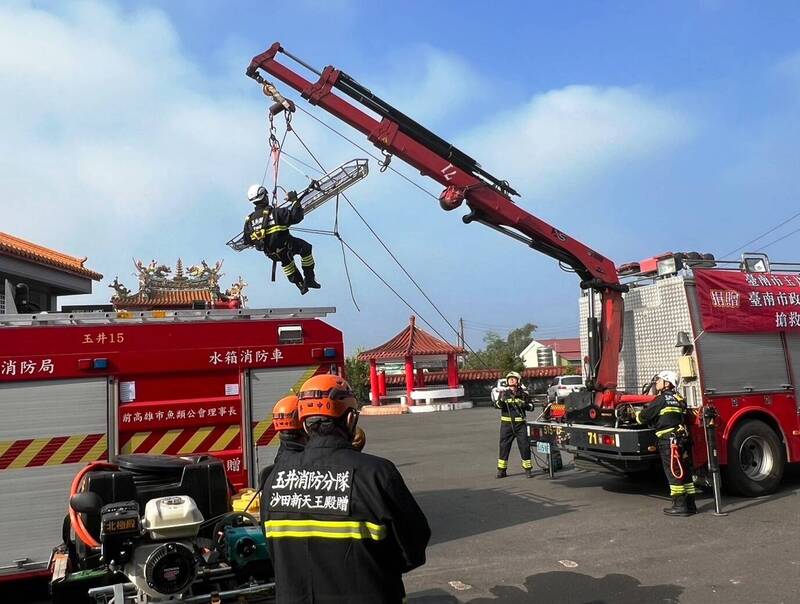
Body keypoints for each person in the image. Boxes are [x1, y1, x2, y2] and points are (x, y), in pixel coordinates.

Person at [262, 374, 430, 603]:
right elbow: (413, 547)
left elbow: (275, 553)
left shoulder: (273, 479)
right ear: (350, 419)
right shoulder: (376, 474)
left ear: (303, 422)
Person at [635, 370, 698, 516]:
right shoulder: (679, 398)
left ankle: (680, 506)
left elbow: (644, 417)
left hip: (669, 442)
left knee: (674, 472)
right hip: (682, 440)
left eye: (659, 380)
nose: (656, 382)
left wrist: (636, 414)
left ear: (667, 383)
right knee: (686, 473)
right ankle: (691, 504)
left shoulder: (661, 399)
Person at [243, 184, 320, 295]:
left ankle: (300, 285)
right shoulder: (276, 213)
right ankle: (309, 279)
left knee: (286, 261)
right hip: (287, 245)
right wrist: (294, 200)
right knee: (306, 248)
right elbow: (296, 217)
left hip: (271, 253)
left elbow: (247, 240)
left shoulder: (249, 220)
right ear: (265, 197)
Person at [494, 371, 534, 478]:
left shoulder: (524, 394)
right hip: (506, 425)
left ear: (518, 381)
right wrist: (501, 401)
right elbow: (497, 405)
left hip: (520, 425)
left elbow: (531, 407)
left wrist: (524, 404)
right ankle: (501, 470)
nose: (511, 380)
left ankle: (528, 469)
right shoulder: (503, 394)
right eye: (509, 379)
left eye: (513, 378)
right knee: (504, 447)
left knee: (525, 446)